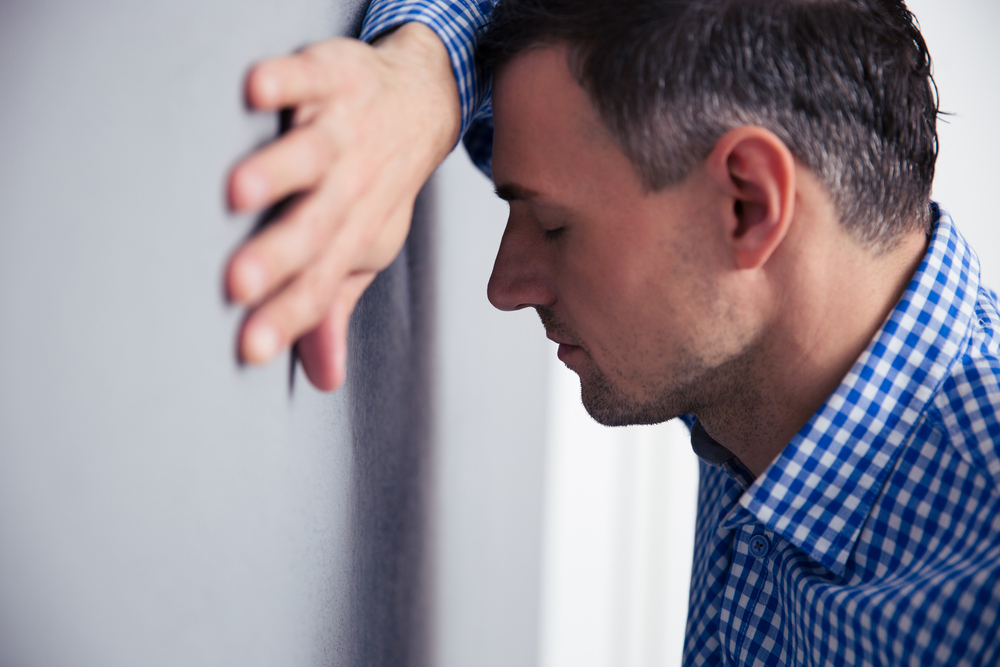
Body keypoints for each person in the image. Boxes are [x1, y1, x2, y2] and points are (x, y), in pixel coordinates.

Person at [227, 0, 1000, 664]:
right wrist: (423, 75)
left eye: (555, 224)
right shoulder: (775, 350)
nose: (504, 287)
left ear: (747, 206)